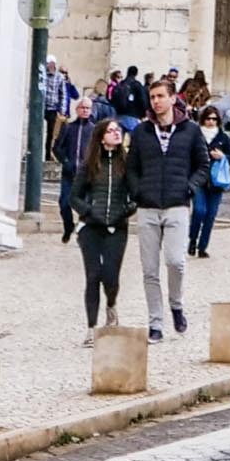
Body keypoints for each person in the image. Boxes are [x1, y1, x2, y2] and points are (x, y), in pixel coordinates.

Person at [127, 75, 209, 340]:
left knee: (175, 261)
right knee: (149, 269)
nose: (156, 101)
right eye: (153, 97)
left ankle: (176, 304)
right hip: (148, 205)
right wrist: (137, 190)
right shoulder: (141, 132)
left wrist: (190, 186)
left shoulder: (191, 130)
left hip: (177, 203)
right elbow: (132, 167)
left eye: (161, 96)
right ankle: (156, 323)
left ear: (173, 98)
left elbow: (203, 165)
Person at [71, 112, 136, 336]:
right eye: (110, 130)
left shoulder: (127, 164)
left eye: (118, 130)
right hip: (91, 227)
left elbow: (136, 193)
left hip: (117, 226)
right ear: (101, 137)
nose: (116, 133)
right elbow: (74, 196)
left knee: (111, 275)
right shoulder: (89, 164)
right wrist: (89, 211)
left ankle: (111, 304)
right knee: (93, 275)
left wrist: (126, 210)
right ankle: (91, 327)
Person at [50, 91, 96, 242]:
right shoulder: (68, 128)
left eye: (87, 108)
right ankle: (68, 226)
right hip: (69, 174)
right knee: (64, 203)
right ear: (77, 110)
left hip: (87, 175)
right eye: (82, 107)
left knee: (86, 205)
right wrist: (65, 161)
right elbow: (57, 147)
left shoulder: (95, 130)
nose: (84, 110)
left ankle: (83, 230)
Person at [189, 102, 230, 257]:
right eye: (208, 118)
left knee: (211, 215)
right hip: (199, 179)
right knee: (200, 210)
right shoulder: (196, 135)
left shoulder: (223, 137)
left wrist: (222, 156)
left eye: (214, 119)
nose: (211, 121)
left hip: (216, 181)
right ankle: (192, 239)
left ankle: (202, 247)